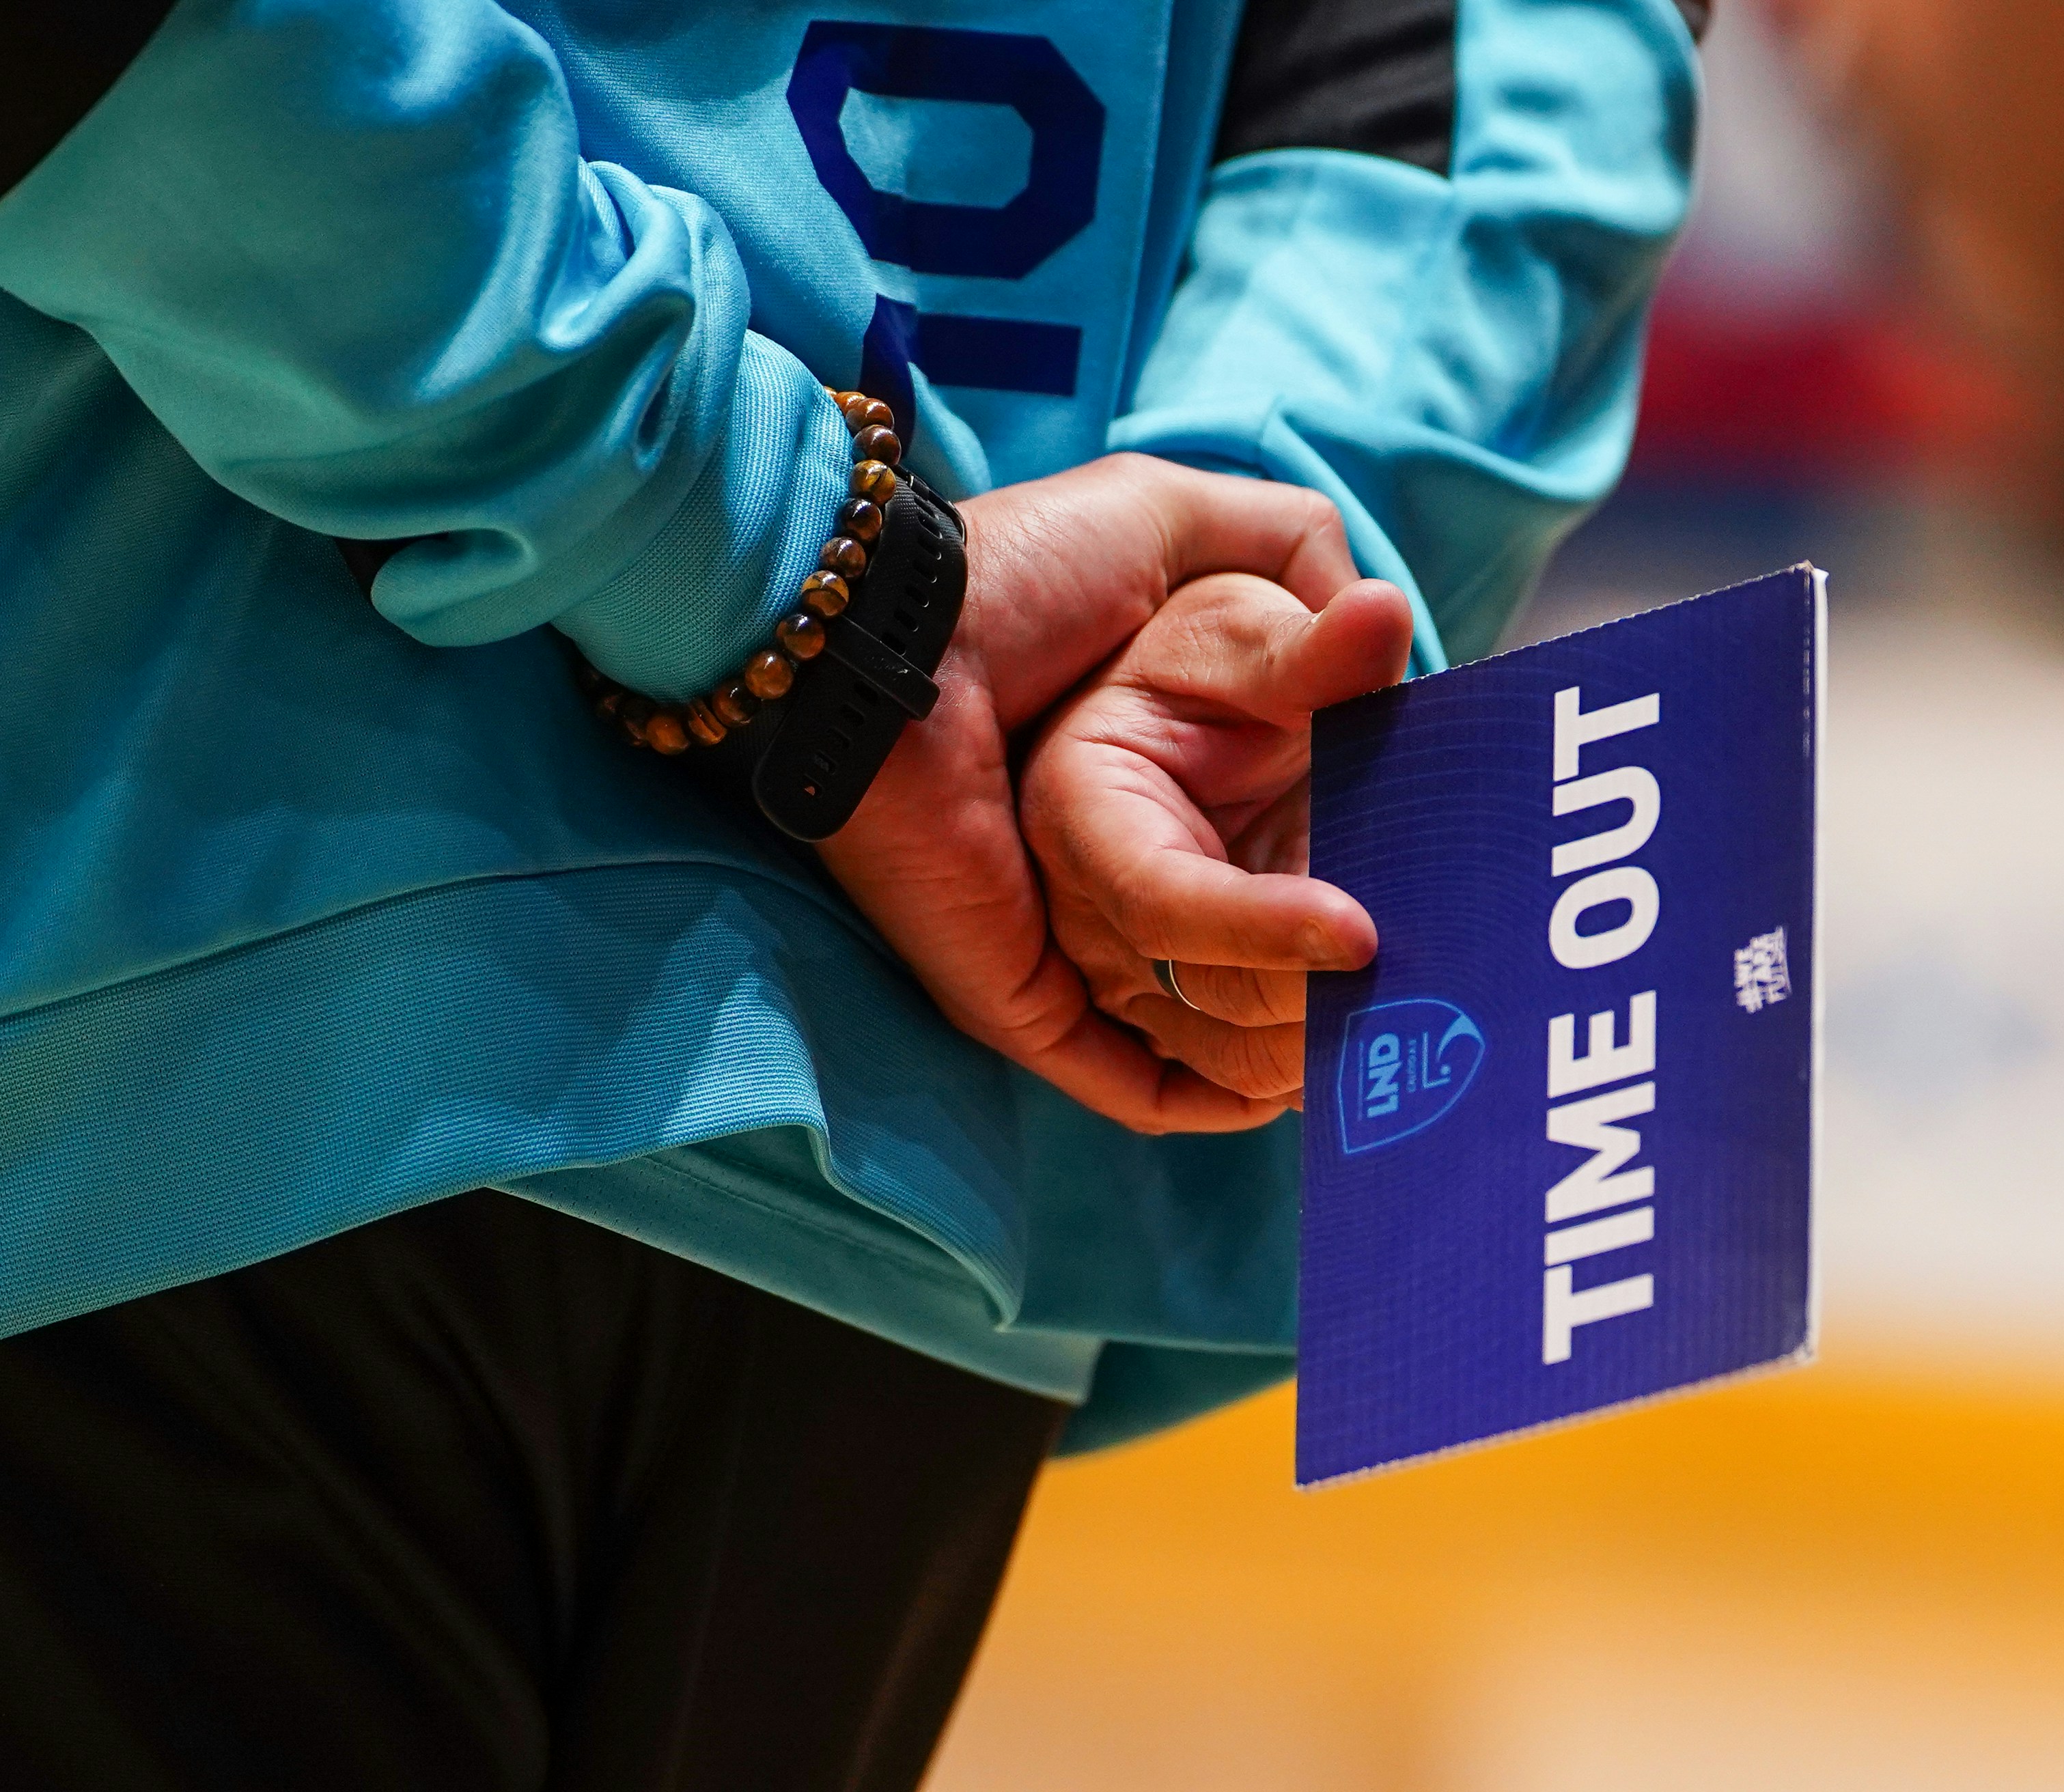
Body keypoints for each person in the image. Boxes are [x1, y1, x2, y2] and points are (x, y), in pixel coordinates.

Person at [0, 1, 1701, 1784]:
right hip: (920, 1147)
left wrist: (802, 571)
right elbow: (1507, 83)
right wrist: (1242, 572)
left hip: (179, 926)